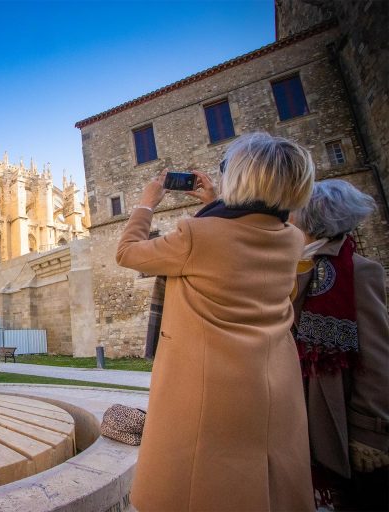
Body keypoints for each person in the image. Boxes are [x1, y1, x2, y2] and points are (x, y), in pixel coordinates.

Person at [118, 132, 315, 511]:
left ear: (239, 178)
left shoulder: (196, 235)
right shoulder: (291, 237)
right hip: (273, 388)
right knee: (260, 489)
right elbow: (242, 231)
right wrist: (214, 203)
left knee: (201, 492)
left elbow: (127, 253)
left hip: (210, 394)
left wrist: (146, 205)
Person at [290, 179, 389, 511]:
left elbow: (377, 357)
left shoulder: (358, 271)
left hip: (332, 402)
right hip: (295, 402)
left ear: (311, 217)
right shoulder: (294, 265)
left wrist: (369, 432)